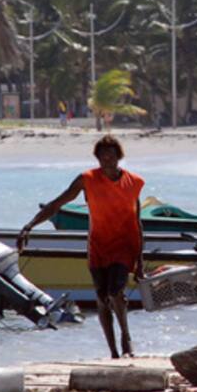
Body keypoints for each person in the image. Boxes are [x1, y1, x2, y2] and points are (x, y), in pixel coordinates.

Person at [17, 135, 144, 359]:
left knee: (116, 292)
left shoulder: (133, 183)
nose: (107, 161)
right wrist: (29, 226)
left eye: (111, 157)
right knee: (102, 297)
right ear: (97, 158)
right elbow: (57, 204)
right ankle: (113, 351)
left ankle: (126, 337)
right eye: (103, 157)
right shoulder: (87, 179)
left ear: (118, 157)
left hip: (125, 245)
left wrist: (140, 260)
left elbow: (138, 221)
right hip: (98, 245)